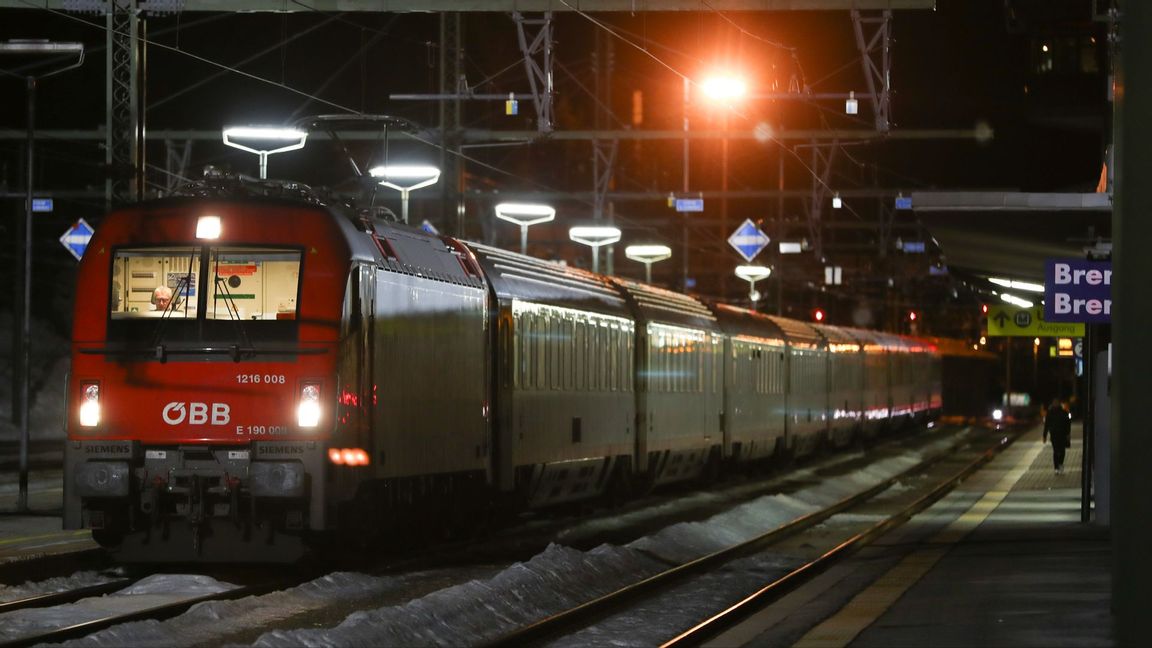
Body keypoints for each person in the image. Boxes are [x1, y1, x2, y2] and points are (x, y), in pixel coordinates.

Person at [1043, 398, 1072, 474]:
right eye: (1054, 402)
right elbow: (1046, 424)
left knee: (1061, 450)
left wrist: (1068, 434)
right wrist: (1044, 435)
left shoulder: (1064, 412)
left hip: (1061, 434)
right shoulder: (1050, 413)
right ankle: (1056, 467)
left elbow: (1068, 423)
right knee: (1056, 450)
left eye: (1056, 402)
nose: (1055, 404)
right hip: (1055, 434)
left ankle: (1060, 464)